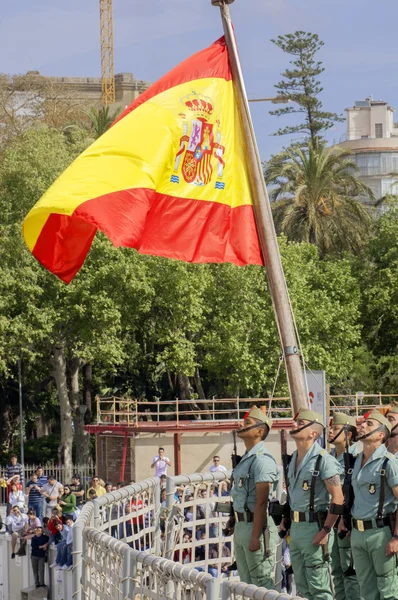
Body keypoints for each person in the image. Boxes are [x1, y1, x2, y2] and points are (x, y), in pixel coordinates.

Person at [283, 409, 344, 600]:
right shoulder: (293, 458)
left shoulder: (324, 460)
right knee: (301, 587)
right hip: (297, 527)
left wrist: (326, 530)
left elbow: (338, 498)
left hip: (315, 527)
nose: (294, 426)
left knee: (319, 588)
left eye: (300, 423)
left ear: (313, 433)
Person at [342, 410, 398, 600]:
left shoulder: (389, 463)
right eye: (363, 423)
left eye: (370, 424)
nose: (362, 426)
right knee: (366, 591)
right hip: (358, 533)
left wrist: (396, 537)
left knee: (388, 591)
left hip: (380, 533)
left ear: (381, 435)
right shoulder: (356, 460)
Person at [229, 406, 279, 589]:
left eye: (247, 423)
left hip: (255, 527)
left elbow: (261, 501)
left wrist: (255, 536)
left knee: (262, 584)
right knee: (246, 585)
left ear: (260, 431)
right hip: (242, 525)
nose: (242, 426)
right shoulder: (247, 459)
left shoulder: (262, 460)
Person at [328, 412, 361, 600]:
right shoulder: (330, 455)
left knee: (351, 573)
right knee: (337, 572)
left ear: (348, 434)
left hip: (347, 523)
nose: (331, 431)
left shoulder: (356, 455)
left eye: (335, 428)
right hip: (332, 521)